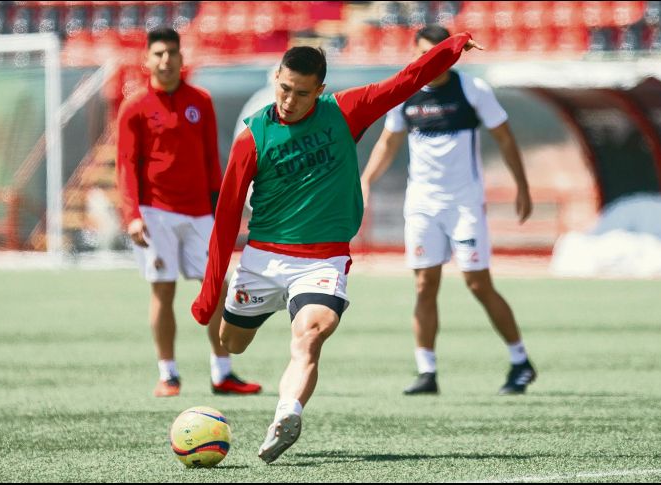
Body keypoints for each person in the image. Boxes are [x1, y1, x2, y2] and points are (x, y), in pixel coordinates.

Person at [192, 32, 484, 464]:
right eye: (284, 88)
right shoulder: (251, 137)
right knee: (232, 343)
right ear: (276, 77)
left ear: (321, 91)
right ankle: (251, 318)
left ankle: (286, 416)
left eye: (302, 93)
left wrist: (453, 45)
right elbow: (226, 219)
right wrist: (209, 290)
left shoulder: (344, 112)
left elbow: (405, 80)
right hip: (263, 259)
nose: (290, 100)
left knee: (309, 335)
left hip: (321, 261)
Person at [360, 25, 537, 397]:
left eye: (441, 54)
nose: (434, 62)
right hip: (422, 204)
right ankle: (427, 371)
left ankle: (520, 361)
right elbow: (388, 143)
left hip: (464, 203)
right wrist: (365, 180)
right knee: (424, 285)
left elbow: (504, 137)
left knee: (478, 283)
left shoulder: (473, 90)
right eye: (426, 55)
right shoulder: (404, 94)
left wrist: (521, 185)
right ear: (416, 56)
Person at [116, 27, 261, 398]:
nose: (166, 60)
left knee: (218, 289)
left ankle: (222, 372)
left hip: (200, 213)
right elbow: (126, 166)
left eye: (172, 54)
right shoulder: (133, 107)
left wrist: (221, 209)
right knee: (163, 291)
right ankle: (168, 374)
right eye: (159, 54)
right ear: (147, 59)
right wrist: (132, 214)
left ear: (182, 58)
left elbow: (212, 159)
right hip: (155, 213)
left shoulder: (201, 100)